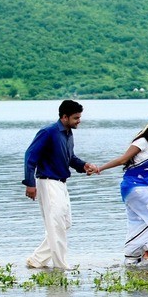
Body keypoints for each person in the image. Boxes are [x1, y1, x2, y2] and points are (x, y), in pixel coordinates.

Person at [22, 99, 98, 270]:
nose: (79, 121)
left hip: (61, 184)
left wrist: (84, 165)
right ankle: (61, 266)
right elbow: (30, 156)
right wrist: (29, 183)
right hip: (48, 183)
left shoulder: (68, 134)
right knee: (56, 225)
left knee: (65, 224)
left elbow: (70, 158)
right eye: (76, 118)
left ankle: (36, 260)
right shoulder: (48, 132)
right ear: (64, 117)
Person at [97, 118, 148, 265]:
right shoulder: (141, 143)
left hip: (141, 187)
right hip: (134, 188)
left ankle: (132, 256)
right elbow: (122, 160)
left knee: (138, 221)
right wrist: (100, 168)